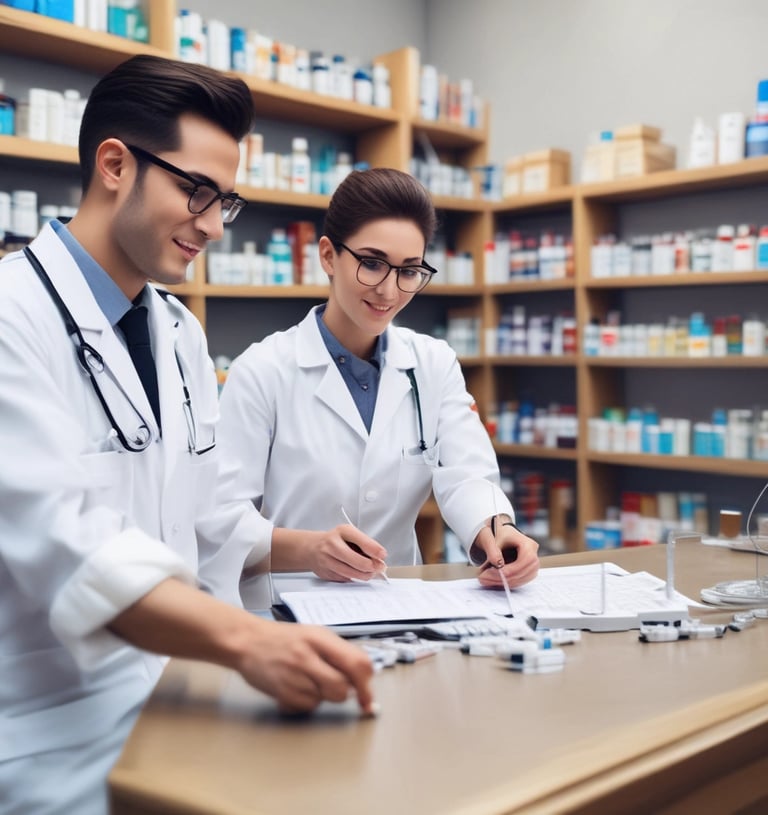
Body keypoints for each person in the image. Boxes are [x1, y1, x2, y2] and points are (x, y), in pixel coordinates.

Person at [0, 55, 374, 815]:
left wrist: (309, 549)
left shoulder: (179, 334)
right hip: (49, 738)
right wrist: (248, 642)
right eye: (195, 191)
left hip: (177, 702)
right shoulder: (12, 317)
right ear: (114, 164)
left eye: (224, 200)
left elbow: (201, 515)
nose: (212, 225)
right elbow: (64, 538)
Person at [216, 167, 540, 588]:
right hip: (290, 608)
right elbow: (220, 519)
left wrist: (499, 531)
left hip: (400, 605)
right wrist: (308, 550)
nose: (389, 290)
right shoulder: (262, 371)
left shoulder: (433, 364)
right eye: (371, 264)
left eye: (408, 271)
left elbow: (467, 474)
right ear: (329, 256)